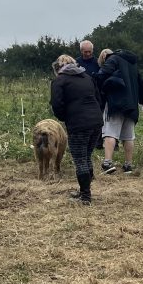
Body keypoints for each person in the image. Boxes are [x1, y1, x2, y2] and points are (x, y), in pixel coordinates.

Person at [50, 54, 103, 205]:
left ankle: (85, 196)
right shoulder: (87, 77)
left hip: (78, 124)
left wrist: (65, 117)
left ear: (57, 68)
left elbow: (57, 105)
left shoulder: (59, 81)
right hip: (96, 122)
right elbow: (98, 99)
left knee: (80, 159)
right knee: (86, 156)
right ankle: (84, 190)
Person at [94, 48, 143, 175]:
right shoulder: (132, 63)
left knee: (110, 133)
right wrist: (142, 100)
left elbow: (102, 75)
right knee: (128, 136)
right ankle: (128, 165)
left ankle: (107, 163)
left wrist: (93, 80)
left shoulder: (113, 59)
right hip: (131, 104)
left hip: (115, 102)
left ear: (105, 57)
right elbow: (141, 83)